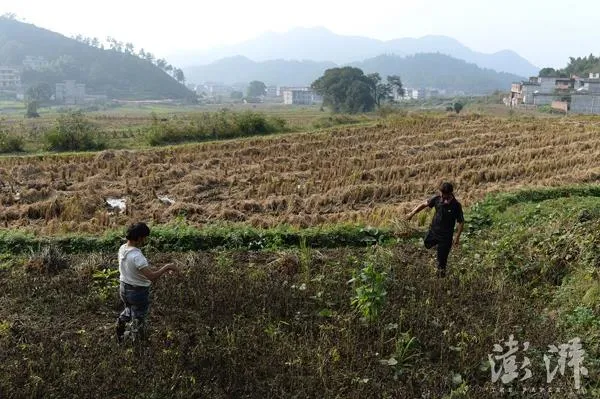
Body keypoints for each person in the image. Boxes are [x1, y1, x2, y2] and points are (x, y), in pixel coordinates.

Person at [115, 222, 179, 343]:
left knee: (128, 310)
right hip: (137, 292)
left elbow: (135, 269)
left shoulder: (123, 249)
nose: (145, 240)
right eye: (144, 237)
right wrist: (167, 267)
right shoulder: (137, 256)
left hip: (124, 288)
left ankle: (120, 330)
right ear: (139, 238)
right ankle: (138, 344)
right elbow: (152, 277)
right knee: (139, 317)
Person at [406, 182, 464, 277]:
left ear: (450, 193)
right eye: (441, 193)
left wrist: (457, 237)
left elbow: (461, 222)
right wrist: (412, 213)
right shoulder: (437, 199)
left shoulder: (456, 205)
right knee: (427, 243)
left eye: (444, 194)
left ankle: (440, 281)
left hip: (446, 237)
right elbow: (424, 204)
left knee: (441, 263)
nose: (442, 195)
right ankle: (437, 249)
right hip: (434, 232)